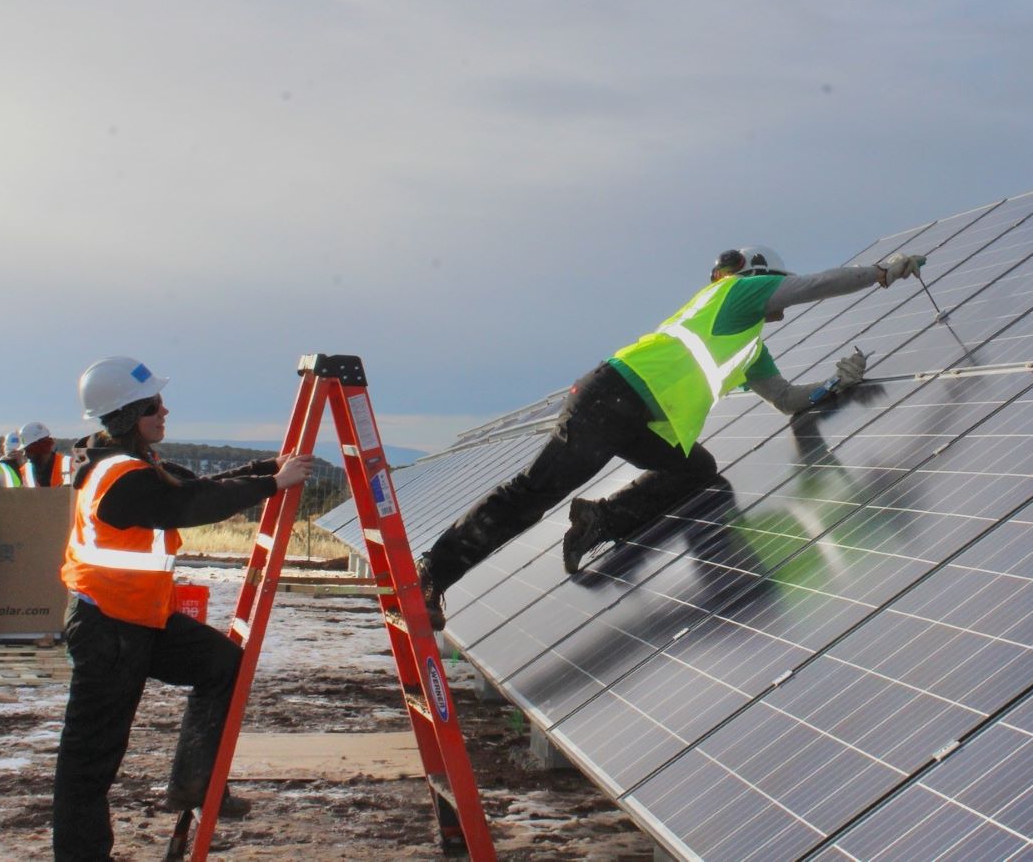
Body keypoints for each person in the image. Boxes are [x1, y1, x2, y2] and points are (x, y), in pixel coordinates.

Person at [415, 247, 927, 627]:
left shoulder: (749, 347)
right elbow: (813, 287)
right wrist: (880, 273)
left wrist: (838, 383)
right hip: (612, 398)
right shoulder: (735, 293)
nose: (780, 298)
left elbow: (788, 401)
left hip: (638, 419)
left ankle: (601, 518)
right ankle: (434, 573)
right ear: (761, 277)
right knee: (534, 492)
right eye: (775, 285)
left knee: (697, 471)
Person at [52, 356, 315, 861]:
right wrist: (272, 485)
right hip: (106, 628)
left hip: (138, 621)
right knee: (90, 761)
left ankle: (194, 783)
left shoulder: (132, 463)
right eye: (154, 405)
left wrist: (266, 469)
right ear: (129, 414)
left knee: (222, 665)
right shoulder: (120, 477)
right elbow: (187, 507)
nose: (164, 410)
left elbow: (192, 488)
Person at [19, 420, 73, 486]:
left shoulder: (71, 464)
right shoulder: (25, 471)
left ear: (41, 448)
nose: (25, 454)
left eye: (28, 450)